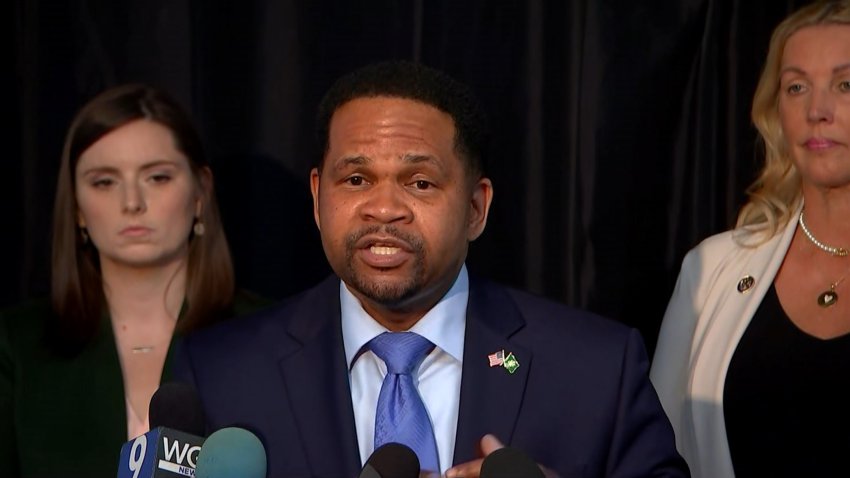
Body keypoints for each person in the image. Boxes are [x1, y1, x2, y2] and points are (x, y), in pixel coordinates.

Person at [174, 61, 688, 478]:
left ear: (475, 208)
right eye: (355, 179)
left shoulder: (595, 369)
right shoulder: (223, 373)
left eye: (419, 183)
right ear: (316, 197)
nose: (383, 208)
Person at [0, 84, 267, 477]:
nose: (132, 203)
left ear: (200, 192)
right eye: (104, 182)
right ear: (76, 207)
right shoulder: (18, 344)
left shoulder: (268, 335)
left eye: (157, 177)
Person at [650, 2, 850, 477]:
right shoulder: (712, 269)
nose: (817, 111)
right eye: (796, 87)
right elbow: (651, 453)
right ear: (776, 110)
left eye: (846, 85)